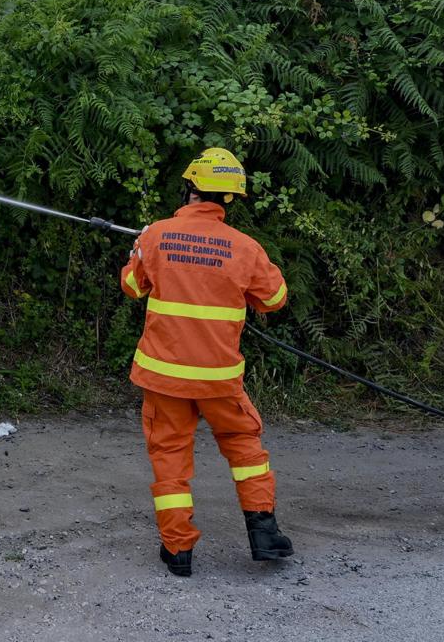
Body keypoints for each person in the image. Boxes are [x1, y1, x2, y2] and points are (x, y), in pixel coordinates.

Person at [119, 146, 295, 577]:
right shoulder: (245, 247)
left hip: (165, 378)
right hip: (220, 379)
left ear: (190, 188)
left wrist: (138, 249)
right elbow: (274, 299)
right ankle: (265, 534)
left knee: (169, 456)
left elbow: (131, 286)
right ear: (229, 199)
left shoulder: (156, 235)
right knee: (245, 448)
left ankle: (178, 552)